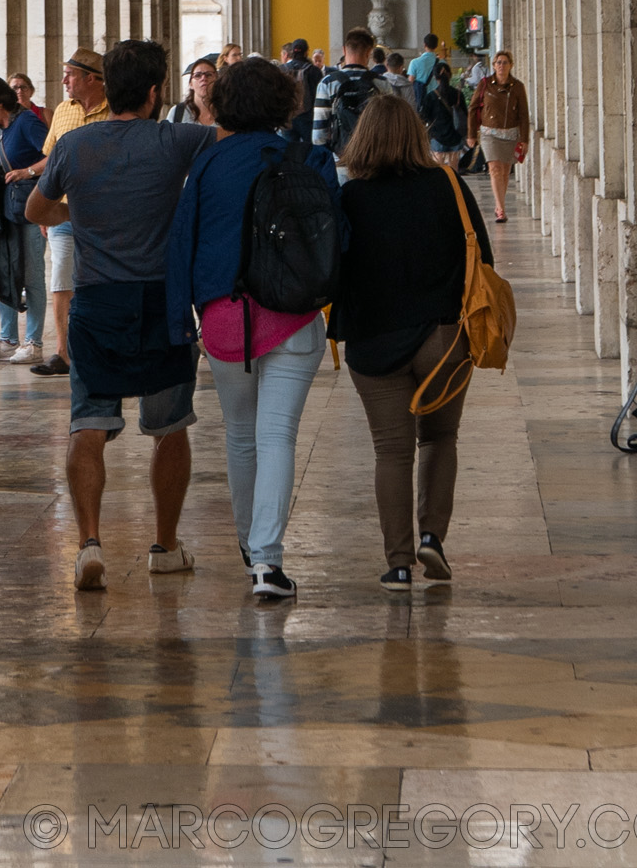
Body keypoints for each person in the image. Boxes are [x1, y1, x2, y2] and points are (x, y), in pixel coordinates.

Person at [27, 40, 213, 590]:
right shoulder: (178, 138)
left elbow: (37, 209)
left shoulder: (75, 145)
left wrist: (79, 214)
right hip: (161, 300)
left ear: (108, 88)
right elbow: (236, 142)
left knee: (87, 422)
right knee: (170, 427)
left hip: (97, 300)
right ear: (156, 93)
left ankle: (88, 543)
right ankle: (165, 544)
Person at [166, 56, 340, 605]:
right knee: (277, 436)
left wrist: (179, 322)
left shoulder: (209, 164)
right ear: (285, 103)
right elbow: (338, 242)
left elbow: (182, 244)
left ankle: (250, 547)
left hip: (224, 318)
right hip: (293, 316)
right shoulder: (312, 158)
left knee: (241, 435)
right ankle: (268, 559)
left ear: (222, 105)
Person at [330, 91, 494, 588]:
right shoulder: (448, 184)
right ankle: (432, 540)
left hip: (374, 342)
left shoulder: (351, 198)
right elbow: (482, 258)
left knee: (392, 451)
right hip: (442, 339)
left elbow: (334, 270)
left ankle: (398, 563)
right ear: (416, 135)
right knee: (441, 437)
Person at [32, 49, 110, 377]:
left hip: (104, 215)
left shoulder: (116, 112)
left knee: (102, 281)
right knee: (61, 279)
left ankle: (102, 347)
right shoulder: (63, 111)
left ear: (91, 79)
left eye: (70, 75)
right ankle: (63, 352)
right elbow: (51, 162)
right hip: (64, 213)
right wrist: (45, 209)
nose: (64, 80)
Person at [0, 75, 48, 365]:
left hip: (29, 209)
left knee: (32, 275)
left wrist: (27, 171)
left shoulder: (27, 123)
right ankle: (8, 339)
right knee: (5, 270)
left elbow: (54, 156)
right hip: (3, 211)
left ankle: (34, 341)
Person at [467, 49, 531, 222]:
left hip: (510, 134)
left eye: (505, 62)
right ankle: (501, 209)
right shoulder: (485, 84)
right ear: (493, 65)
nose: (501, 66)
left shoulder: (517, 87)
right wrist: (471, 134)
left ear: (511, 65)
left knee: (504, 171)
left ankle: (499, 204)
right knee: (494, 169)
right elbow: (473, 108)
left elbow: (524, 115)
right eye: (498, 62)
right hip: (490, 133)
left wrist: (524, 139)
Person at [311, 30, 386, 171]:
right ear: (369, 52)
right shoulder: (381, 83)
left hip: (340, 161)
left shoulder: (327, 83)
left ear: (344, 50)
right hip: (375, 161)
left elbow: (318, 134)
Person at [423, 60, 468, 165]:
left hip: (437, 138)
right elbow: (465, 115)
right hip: (456, 136)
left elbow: (424, 117)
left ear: (435, 77)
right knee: (453, 171)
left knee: (438, 171)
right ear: (450, 76)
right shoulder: (458, 94)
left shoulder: (430, 97)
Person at [180, 54, 219, 126]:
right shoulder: (178, 112)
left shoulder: (228, 112)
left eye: (209, 75)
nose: (203, 78)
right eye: (198, 75)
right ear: (191, 84)